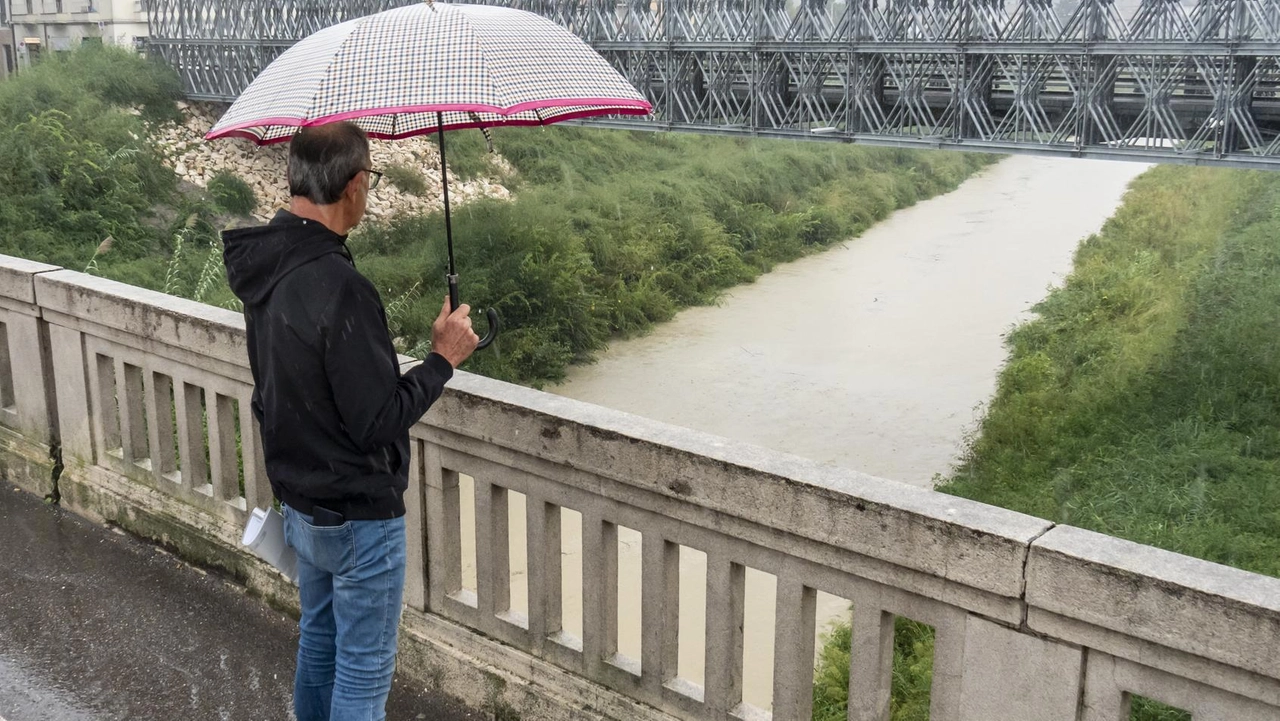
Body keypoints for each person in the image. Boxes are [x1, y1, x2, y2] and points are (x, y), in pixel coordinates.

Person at [222, 121, 479, 721]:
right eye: (373, 180)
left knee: (319, 644)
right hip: (359, 518)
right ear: (357, 185)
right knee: (362, 675)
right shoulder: (341, 286)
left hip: (302, 502)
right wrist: (442, 359)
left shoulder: (265, 269)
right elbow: (377, 419)